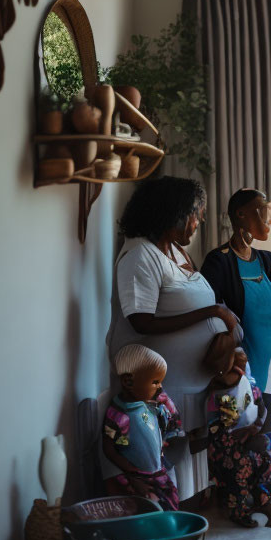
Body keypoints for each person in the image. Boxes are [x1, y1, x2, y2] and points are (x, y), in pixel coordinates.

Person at [107, 176, 240, 501]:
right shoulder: (140, 255)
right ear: (171, 212)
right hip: (165, 387)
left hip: (193, 385)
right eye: (196, 212)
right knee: (168, 475)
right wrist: (212, 314)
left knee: (190, 479)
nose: (200, 220)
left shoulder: (175, 250)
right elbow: (141, 320)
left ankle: (189, 524)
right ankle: (175, 532)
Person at [200, 189, 271, 512]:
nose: (267, 219)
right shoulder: (219, 262)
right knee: (241, 431)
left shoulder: (268, 261)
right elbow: (209, 311)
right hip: (240, 364)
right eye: (260, 211)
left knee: (270, 429)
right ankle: (243, 493)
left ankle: (268, 490)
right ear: (240, 215)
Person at [205, 346, 271, 528]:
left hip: (245, 437)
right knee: (240, 466)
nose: (240, 370)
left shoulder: (249, 385)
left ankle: (263, 500)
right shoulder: (218, 390)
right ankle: (239, 512)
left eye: (243, 365)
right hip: (224, 443)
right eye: (235, 366)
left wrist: (254, 428)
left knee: (264, 459)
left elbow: (262, 409)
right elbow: (211, 424)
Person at [102, 344, 179, 511]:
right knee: (151, 509)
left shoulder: (147, 403)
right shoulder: (120, 415)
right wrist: (129, 471)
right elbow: (108, 447)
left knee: (171, 503)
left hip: (157, 471)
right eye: (155, 382)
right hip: (139, 477)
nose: (160, 387)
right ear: (128, 382)